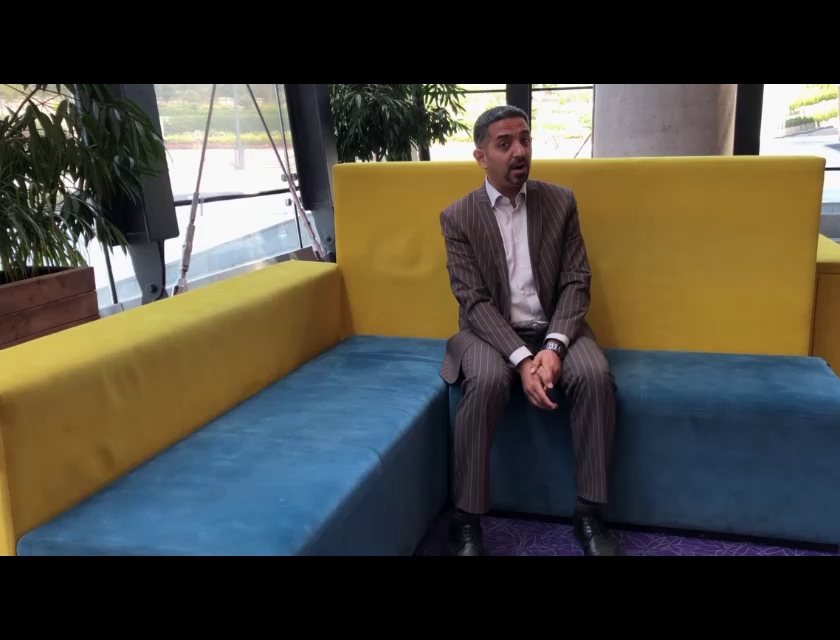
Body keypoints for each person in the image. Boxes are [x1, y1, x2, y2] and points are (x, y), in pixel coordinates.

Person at [439, 105, 619, 557]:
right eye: (505, 144)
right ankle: (466, 522)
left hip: (556, 327)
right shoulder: (458, 217)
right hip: (489, 333)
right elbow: (473, 301)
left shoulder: (560, 202)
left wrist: (554, 346)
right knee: (486, 380)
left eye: (524, 139)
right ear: (481, 157)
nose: (519, 151)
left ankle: (589, 514)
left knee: (594, 375)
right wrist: (521, 359)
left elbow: (576, 281)